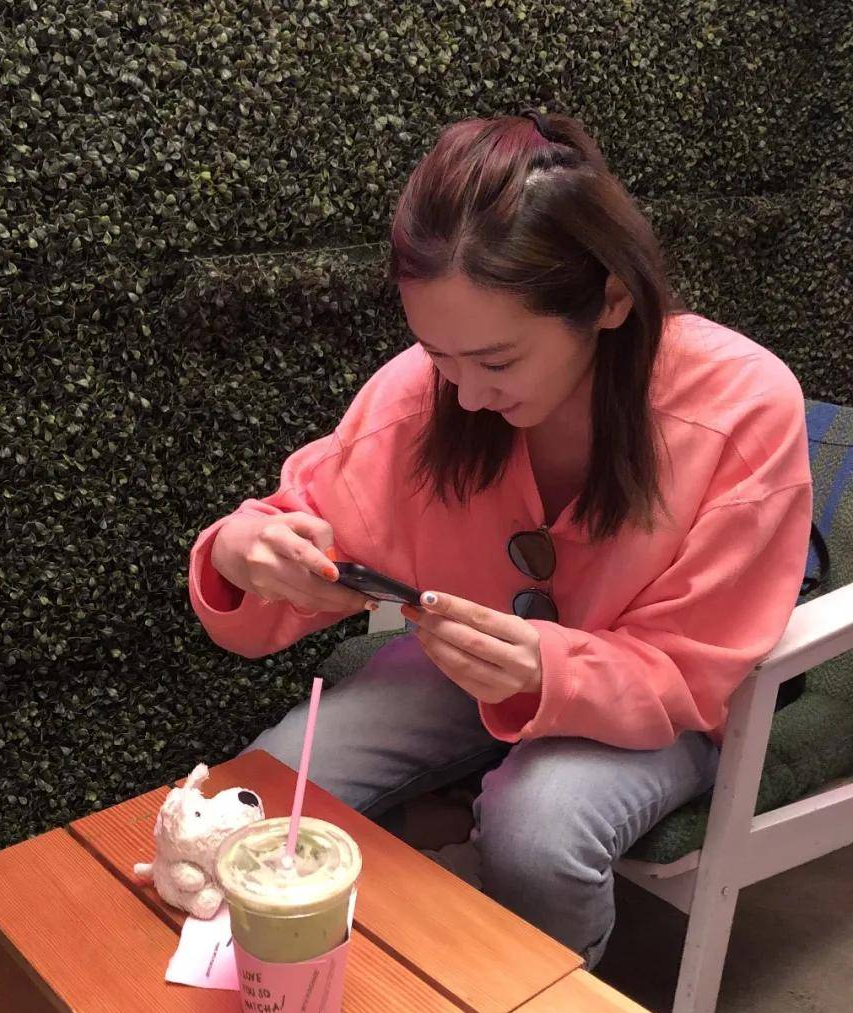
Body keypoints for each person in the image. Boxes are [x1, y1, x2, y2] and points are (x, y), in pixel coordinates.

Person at [187, 110, 812, 968]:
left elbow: (695, 675)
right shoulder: (423, 391)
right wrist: (242, 551)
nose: (465, 394)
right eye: (437, 354)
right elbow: (292, 521)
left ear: (611, 300)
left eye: (497, 362)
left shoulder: (742, 407)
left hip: (654, 709)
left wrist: (547, 670)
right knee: (265, 790)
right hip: (464, 670)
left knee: (536, 830)